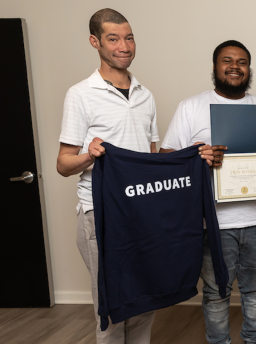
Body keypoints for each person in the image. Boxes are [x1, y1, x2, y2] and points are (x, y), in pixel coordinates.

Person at [159, 40, 256, 344]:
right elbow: (167, 156)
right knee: (216, 294)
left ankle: (254, 341)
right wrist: (196, 154)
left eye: (242, 61)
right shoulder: (191, 107)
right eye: (227, 60)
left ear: (249, 68)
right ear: (215, 66)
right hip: (211, 223)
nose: (235, 66)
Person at [56, 8, 158, 343]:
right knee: (113, 307)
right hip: (100, 214)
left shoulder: (145, 95)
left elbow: (152, 157)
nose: (124, 46)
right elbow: (63, 163)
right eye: (113, 38)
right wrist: (90, 154)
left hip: (141, 212)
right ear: (95, 42)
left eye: (129, 37)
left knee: (144, 300)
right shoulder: (81, 94)